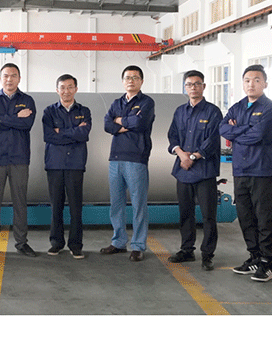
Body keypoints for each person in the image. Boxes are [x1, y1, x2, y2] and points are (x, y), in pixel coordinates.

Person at [219, 64, 272, 282]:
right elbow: (223, 128)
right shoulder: (237, 107)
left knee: (264, 217)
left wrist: (236, 131)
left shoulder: (271, 108)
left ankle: (267, 262)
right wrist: (244, 130)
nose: (251, 84)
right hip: (240, 170)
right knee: (245, 216)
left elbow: (259, 135)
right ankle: (254, 256)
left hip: (262, 170)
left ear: (265, 83)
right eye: (247, 80)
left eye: (256, 80)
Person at [0, 63, 37, 258]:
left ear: (19, 78)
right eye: (6, 75)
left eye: (13, 75)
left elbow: (26, 124)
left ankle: (21, 242)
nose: (9, 79)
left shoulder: (27, 100)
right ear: (0, 78)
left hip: (19, 157)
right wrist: (15, 118)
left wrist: (0, 118)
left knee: (20, 202)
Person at [167, 70, 223, 270]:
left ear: (203, 86)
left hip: (205, 171)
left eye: (197, 84)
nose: (193, 87)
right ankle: (187, 250)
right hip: (183, 171)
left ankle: (207, 254)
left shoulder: (213, 112)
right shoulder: (180, 111)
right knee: (185, 213)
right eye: (189, 84)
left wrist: (193, 157)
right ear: (185, 88)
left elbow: (212, 140)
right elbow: (172, 135)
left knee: (208, 216)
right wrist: (181, 154)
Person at [101, 65, 155, 262]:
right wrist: (126, 122)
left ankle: (138, 245)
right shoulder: (117, 102)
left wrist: (119, 121)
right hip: (115, 158)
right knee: (116, 204)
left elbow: (140, 123)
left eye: (135, 77)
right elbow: (107, 124)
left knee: (139, 204)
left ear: (141, 81)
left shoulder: (147, 102)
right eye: (127, 78)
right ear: (123, 81)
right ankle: (118, 242)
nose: (131, 81)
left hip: (136, 158)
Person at [42, 74, 91, 259]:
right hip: (54, 164)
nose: (66, 91)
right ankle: (56, 243)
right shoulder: (49, 112)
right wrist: (74, 132)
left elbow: (84, 134)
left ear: (76, 89)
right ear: (57, 90)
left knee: (76, 207)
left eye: (70, 87)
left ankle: (76, 244)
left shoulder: (84, 111)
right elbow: (49, 136)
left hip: (75, 164)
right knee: (56, 206)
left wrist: (60, 132)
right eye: (62, 87)